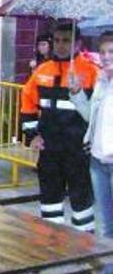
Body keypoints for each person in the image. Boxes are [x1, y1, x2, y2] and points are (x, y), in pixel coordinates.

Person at [21, 24, 97, 231]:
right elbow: (27, 102)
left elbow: (97, 114)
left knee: (81, 198)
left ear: (78, 44)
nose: (60, 45)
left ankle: (85, 244)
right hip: (50, 147)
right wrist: (32, 135)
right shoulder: (42, 70)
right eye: (57, 40)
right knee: (49, 196)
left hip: (78, 148)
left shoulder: (91, 72)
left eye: (66, 40)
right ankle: (51, 241)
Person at [73, 31, 113, 238]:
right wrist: (77, 94)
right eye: (103, 51)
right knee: (105, 226)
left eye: (112, 52)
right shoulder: (102, 83)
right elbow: (90, 116)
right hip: (98, 162)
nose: (106, 57)